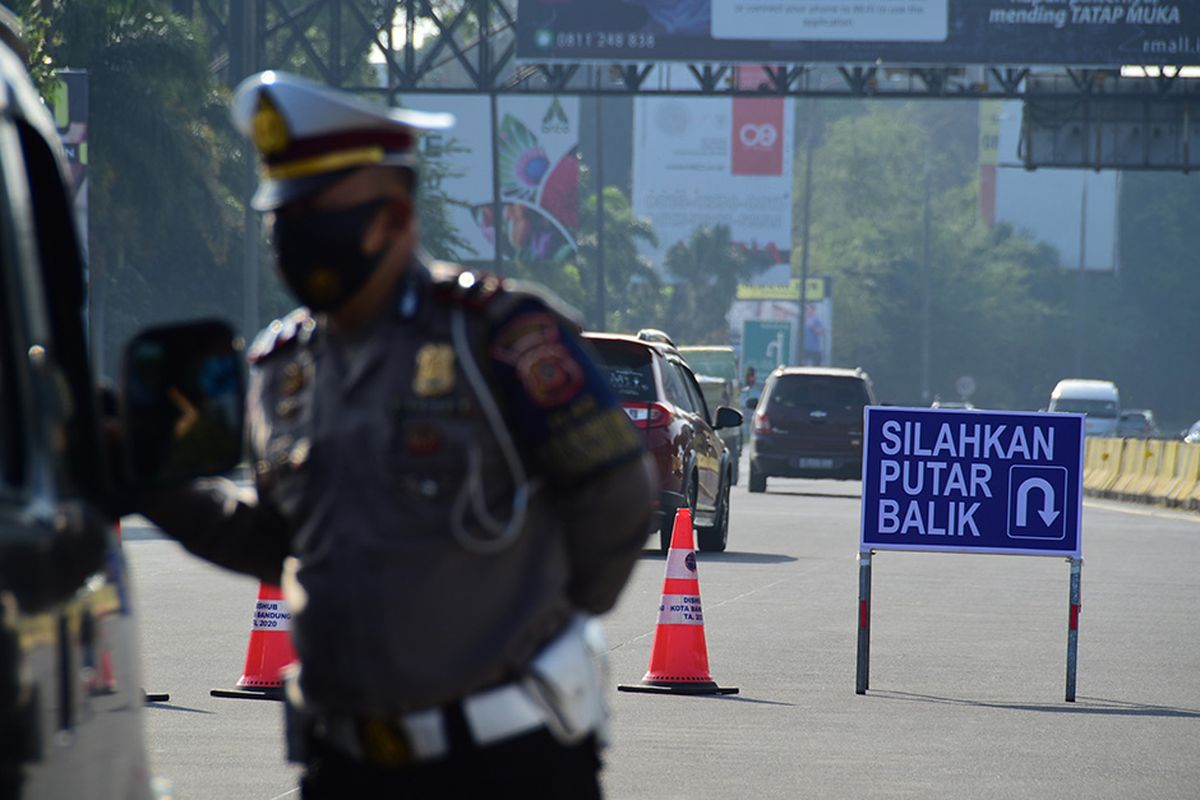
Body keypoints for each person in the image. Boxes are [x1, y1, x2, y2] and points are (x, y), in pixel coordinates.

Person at [137, 71, 655, 798]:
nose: (293, 235)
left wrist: (540, 627)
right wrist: (153, 487)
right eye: (282, 214)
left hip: (506, 766)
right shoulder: (282, 372)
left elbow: (618, 494)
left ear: (396, 218)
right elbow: (278, 540)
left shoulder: (498, 336)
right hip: (341, 765)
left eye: (320, 211)